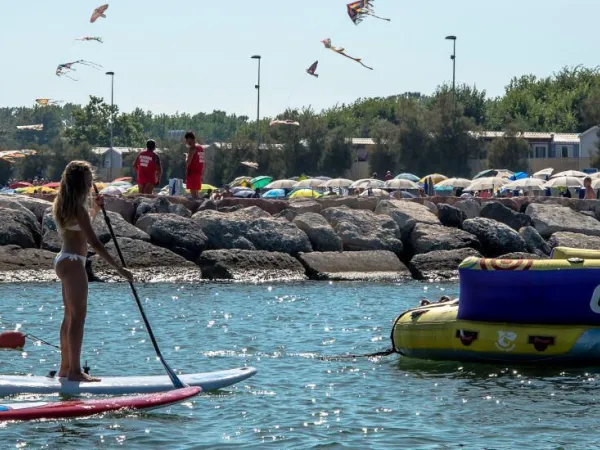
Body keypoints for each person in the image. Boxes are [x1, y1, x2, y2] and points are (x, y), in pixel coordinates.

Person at [53, 161, 133, 382]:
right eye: (88, 181)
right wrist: (119, 269)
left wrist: (95, 210)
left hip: (63, 260)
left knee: (69, 317)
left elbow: (81, 226)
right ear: (80, 183)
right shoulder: (78, 209)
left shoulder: (64, 204)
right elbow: (95, 243)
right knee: (78, 318)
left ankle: (65, 369)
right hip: (74, 263)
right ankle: (76, 372)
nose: (91, 185)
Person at [184, 131, 205, 199]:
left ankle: (195, 208)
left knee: (193, 196)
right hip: (199, 172)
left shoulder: (192, 148)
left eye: (186, 140)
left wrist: (186, 157)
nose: (186, 142)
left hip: (192, 172)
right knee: (197, 194)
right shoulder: (201, 148)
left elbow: (188, 162)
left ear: (189, 139)